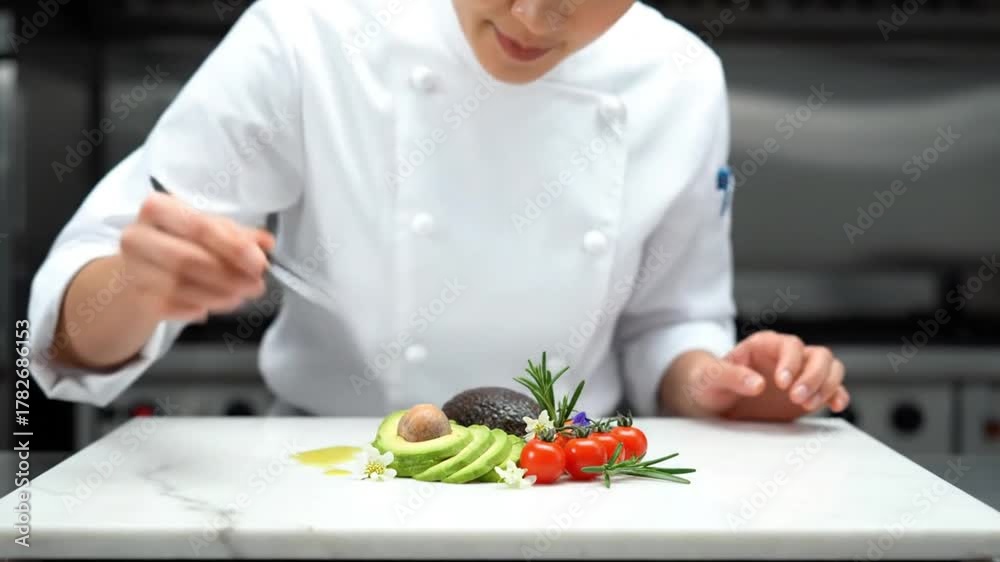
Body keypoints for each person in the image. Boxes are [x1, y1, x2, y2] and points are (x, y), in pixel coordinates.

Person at [27, 0, 849, 421]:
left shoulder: (680, 78)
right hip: (329, 482)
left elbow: (669, 321)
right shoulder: (312, 31)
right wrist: (138, 287)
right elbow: (64, 341)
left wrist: (716, 382)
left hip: (570, 488)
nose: (534, 19)